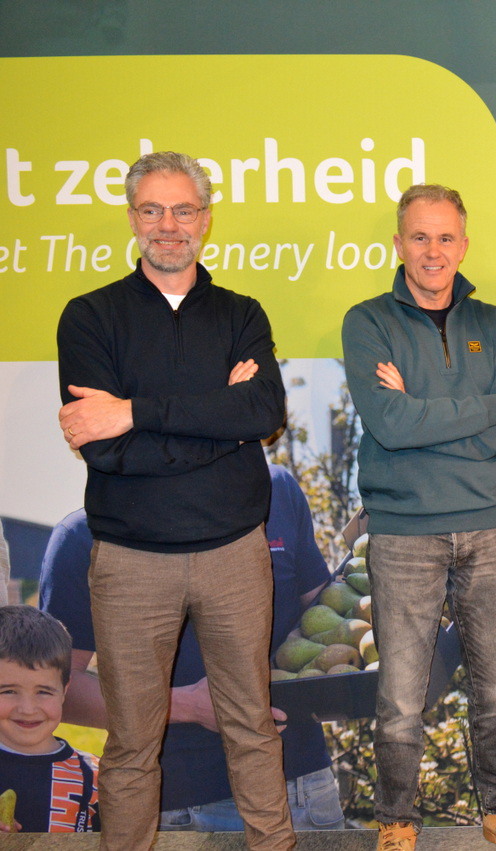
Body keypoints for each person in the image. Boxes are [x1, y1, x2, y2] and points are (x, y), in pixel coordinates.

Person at [54, 151, 292, 850]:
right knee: (132, 739)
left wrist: (134, 411)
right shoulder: (90, 317)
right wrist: (220, 422)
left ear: (205, 219)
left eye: (183, 209)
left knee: (251, 726)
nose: (168, 225)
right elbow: (106, 450)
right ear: (133, 219)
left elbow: (263, 413)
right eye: (152, 210)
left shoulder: (242, 314)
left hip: (234, 554)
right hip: (131, 562)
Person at [341, 183, 496, 851]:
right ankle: (397, 821)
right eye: (420, 237)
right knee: (402, 696)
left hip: (489, 525)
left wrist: (426, 412)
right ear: (399, 244)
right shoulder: (367, 322)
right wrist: (489, 408)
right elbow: (391, 425)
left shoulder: (491, 323)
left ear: (463, 245)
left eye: (446, 237)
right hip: (404, 532)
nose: (434, 251)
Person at [39, 464, 345, 831]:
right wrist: (188, 705)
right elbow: (59, 689)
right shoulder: (83, 538)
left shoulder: (274, 489)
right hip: (175, 806)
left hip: (298, 793)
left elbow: (327, 622)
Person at [0, 605, 98, 833]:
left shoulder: (95, 777)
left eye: (43, 692)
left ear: (65, 690)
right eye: (8, 691)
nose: (27, 709)